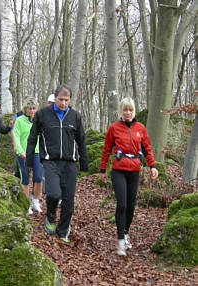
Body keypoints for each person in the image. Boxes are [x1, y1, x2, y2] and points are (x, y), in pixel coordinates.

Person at [26, 84, 89, 243]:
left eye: (66, 100)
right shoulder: (42, 114)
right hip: (50, 160)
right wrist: (29, 159)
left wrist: (84, 163)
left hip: (69, 163)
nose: (63, 103)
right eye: (60, 99)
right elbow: (33, 136)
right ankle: (51, 215)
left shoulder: (74, 116)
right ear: (55, 98)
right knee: (54, 193)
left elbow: (81, 140)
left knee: (68, 199)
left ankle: (63, 230)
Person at [99, 97, 159, 256]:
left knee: (131, 205)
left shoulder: (140, 128)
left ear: (134, 111)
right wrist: (102, 169)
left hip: (134, 170)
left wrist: (152, 166)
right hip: (118, 169)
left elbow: (147, 148)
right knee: (122, 203)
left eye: (130, 110)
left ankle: (125, 233)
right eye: (125, 110)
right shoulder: (114, 128)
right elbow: (106, 149)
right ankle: (119, 240)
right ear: (121, 111)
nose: (127, 112)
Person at [13, 97, 43, 215]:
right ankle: (26, 204)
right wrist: (20, 151)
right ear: (25, 109)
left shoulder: (39, 120)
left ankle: (35, 200)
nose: (31, 111)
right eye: (29, 108)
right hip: (23, 152)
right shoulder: (19, 120)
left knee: (39, 178)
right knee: (25, 178)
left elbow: (43, 136)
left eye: (34, 108)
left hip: (36, 152)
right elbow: (16, 136)